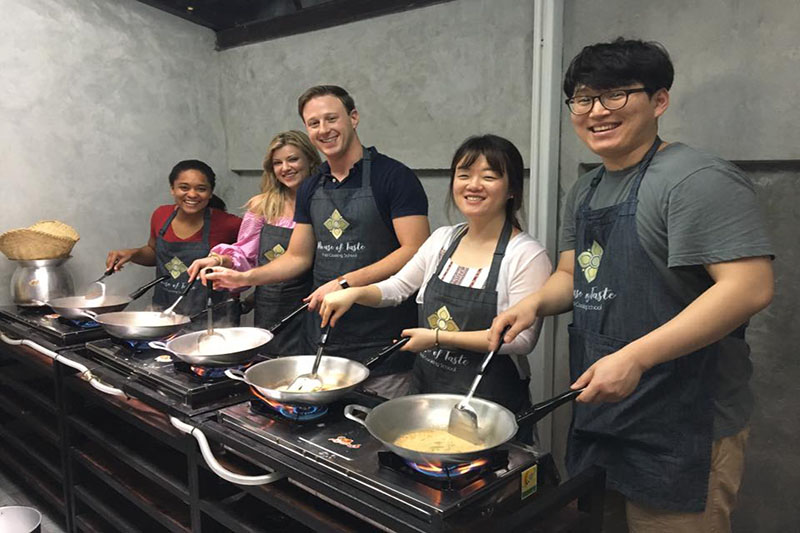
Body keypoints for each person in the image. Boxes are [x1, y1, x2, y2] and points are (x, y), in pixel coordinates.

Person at [488, 38, 774, 532]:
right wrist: (533, 304)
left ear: (659, 100)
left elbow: (748, 288)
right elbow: (571, 275)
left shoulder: (694, 178)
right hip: (605, 416)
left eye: (616, 95)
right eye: (583, 98)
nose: (596, 111)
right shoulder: (586, 189)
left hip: (682, 425)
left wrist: (636, 356)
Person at [205, 86, 430, 398]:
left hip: (381, 341)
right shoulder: (312, 186)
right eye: (313, 123)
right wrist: (246, 276)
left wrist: (344, 282)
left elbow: (415, 249)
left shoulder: (393, 177)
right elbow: (298, 256)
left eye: (331, 119)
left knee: (375, 437)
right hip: (324, 338)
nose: (323, 130)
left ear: (353, 118)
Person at [320, 134, 551, 416]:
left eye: (489, 177)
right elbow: (398, 287)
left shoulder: (527, 255)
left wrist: (439, 338)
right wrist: (355, 293)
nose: (473, 185)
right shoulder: (443, 239)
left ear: (511, 189)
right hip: (427, 394)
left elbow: (520, 340)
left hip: (488, 407)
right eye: (464, 175)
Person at [187, 132, 322, 355]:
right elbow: (245, 254)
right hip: (269, 306)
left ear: (310, 160)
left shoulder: (324, 203)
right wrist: (218, 259)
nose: (285, 168)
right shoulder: (263, 206)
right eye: (277, 163)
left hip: (311, 305)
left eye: (293, 159)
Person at [107, 160, 242, 321]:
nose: (192, 194)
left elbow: (251, 258)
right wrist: (133, 254)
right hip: (164, 313)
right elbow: (156, 253)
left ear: (210, 192)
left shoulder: (229, 224)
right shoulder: (161, 215)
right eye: (184, 187)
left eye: (201, 189)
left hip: (211, 318)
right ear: (172, 189)